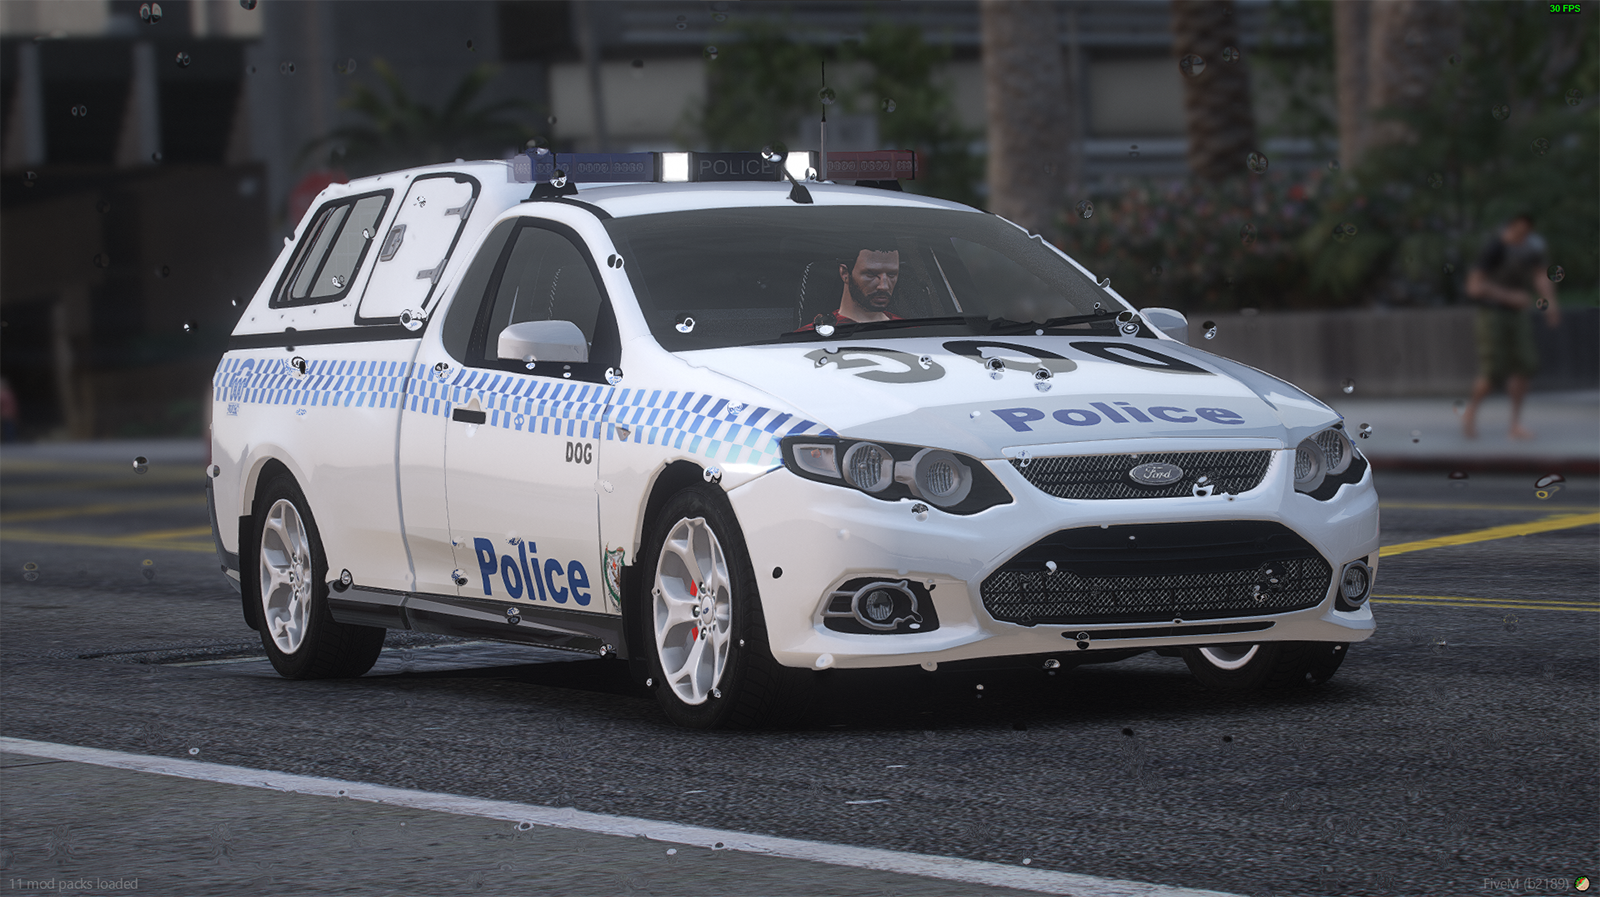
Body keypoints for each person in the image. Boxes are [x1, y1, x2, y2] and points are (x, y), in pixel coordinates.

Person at [1460, 213, 1561, 440]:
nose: (1522, 237)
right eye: (1519, 232)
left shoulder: (1531, 248)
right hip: (1492, 314)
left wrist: (1551, 303)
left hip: (1517, 314)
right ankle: (1470, 414)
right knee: (1493, 370)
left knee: (1525, 364)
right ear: (1510, 228)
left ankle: (1515, 424)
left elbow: (1540, 275)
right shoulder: (1494, 248)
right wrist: (1508, 296)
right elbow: (1474, 287)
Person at [800, 247, 903, 330]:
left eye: (891, 275)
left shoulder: (907, 329)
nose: (884, 286)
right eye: (871, 274)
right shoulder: (807, 338)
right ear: (844, 273)